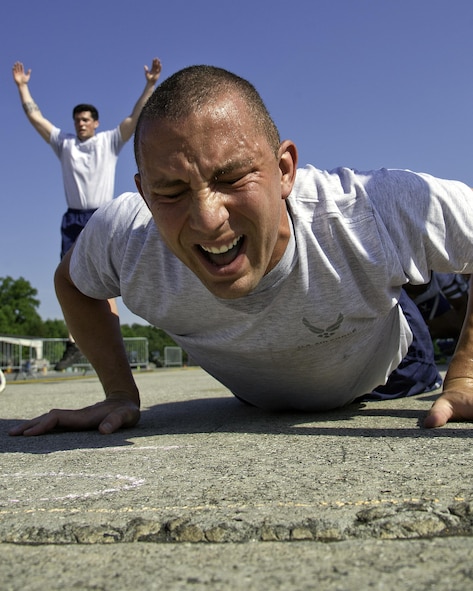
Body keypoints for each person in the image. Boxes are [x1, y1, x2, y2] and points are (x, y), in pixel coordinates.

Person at [9, 65, 473, 438]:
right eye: (170, 191)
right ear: (145, 195)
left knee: (416, 286)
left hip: (388, 372)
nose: (208, 219)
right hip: (262, 396)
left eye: (232, 179)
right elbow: (72, 282)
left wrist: (465, 374)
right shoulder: (125, 235)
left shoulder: (368, 208)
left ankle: (429, 290)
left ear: (285, 169)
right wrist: (118, 394)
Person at [12, 58, 162, 369]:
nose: (80, 123)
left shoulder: (108, 141)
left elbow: (135, 117)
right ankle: (74, 341)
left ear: (95, 122)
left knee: (104, 279)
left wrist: (149, 84)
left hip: (100, 216)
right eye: (77, 119)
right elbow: (37, 119)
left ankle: (112, 340)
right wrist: (23, 88)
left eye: (85, 119)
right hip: (72, 218)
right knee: (69, 280)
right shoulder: (64, 144)